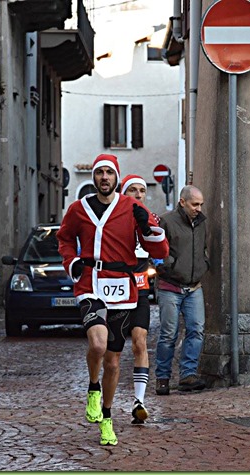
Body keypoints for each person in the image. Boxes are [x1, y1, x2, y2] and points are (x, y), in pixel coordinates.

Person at [57, 155, 168, 446]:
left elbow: (160, 249)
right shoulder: (78, 209)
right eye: (99, 173)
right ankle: (93, 388)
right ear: (94, 178)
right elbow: (65, 239)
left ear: (116, 177)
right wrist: (72, 263)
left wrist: (148, 228)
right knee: (97, 343)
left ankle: (107, 417)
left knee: (114, 362)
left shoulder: (133, 208)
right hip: (90, 284)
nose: (104, 177)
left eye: (109, 172)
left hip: (122, 289)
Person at [154, 185, 209, 395]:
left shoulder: (202, 223)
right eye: (195, 204)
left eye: (201, 204)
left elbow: (203, 248)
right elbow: (156, 251)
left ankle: (188, 374)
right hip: (170, 287)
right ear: (182, 202)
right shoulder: (166, 221)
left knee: (196, 330)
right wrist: (169, 265)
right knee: (169, 334)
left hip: (194, 286)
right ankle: (163, 377)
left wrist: (204, 263)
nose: (199, 208)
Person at [121, 174, 158, 424]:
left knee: (139, 342)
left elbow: (162, 248)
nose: (138, 194)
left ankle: (139, 401)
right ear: (124, 194)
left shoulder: (151, 218)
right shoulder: (116, 221)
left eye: (142, 190)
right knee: (109, 350)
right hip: (116, 290)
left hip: (141, 289)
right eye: (132, 190)